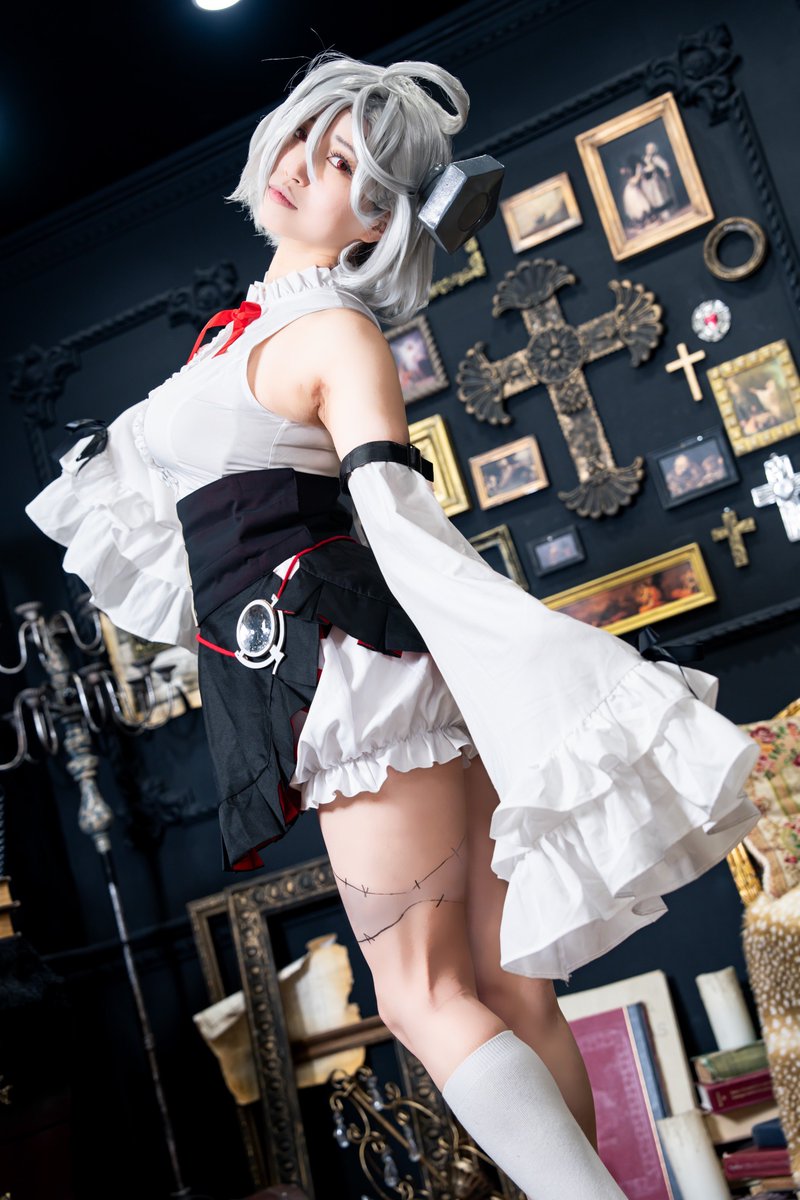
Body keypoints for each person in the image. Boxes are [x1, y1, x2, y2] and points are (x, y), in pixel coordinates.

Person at [26, 53, 760, 1199]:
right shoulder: (237, 332)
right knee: (507, 986)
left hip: (352, 677)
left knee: (420, 999)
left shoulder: (335, 334)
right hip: (350, 665)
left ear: (377, 219)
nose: (300, 167)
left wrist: (537, 653)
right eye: (306, 137)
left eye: (341, 167)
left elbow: (393, 515)